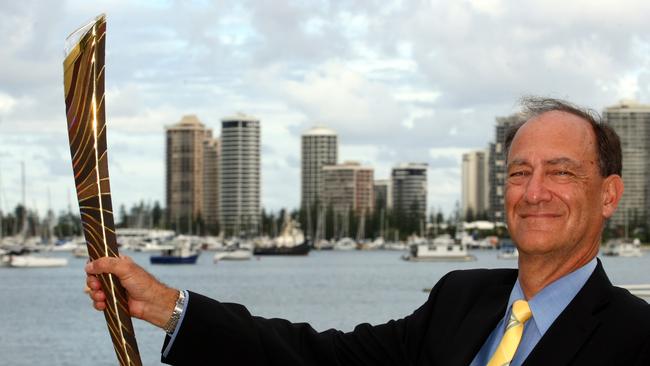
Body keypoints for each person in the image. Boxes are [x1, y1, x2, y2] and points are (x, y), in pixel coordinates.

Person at [86, 97, 650, 365]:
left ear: (608, 195)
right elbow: (318, 357)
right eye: (520, 172)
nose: (533, 192)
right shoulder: (459, 299)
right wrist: (168, 306)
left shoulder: (636, 337)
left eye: (562, 173)